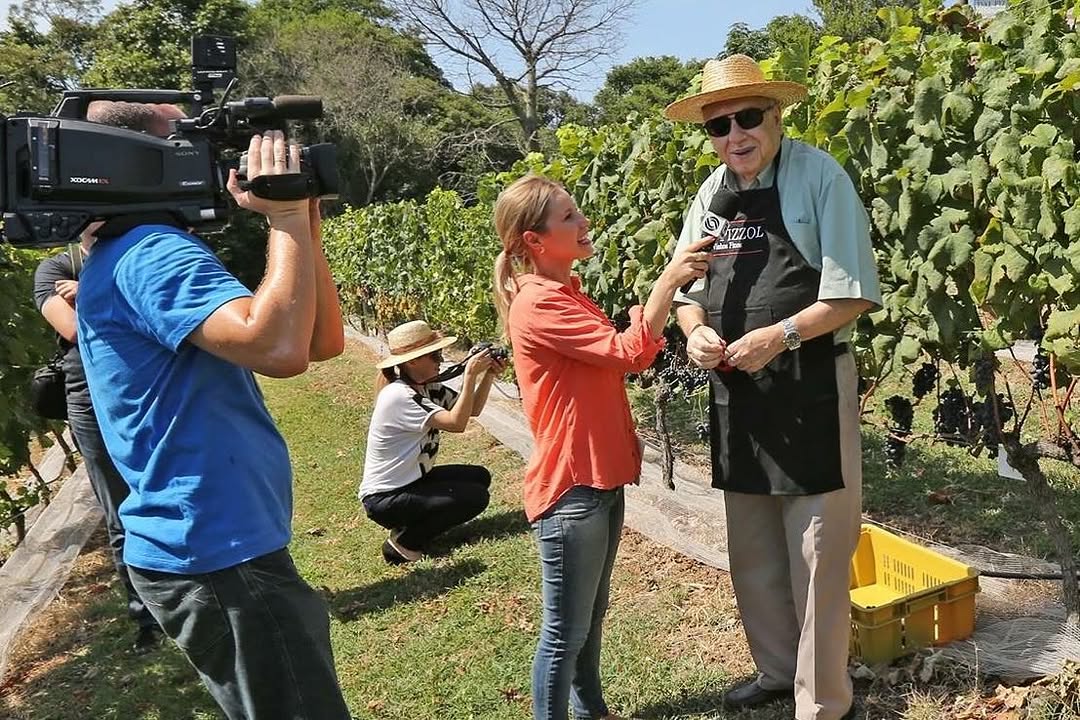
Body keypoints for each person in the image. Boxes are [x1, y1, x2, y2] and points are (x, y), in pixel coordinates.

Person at [75, 99, 351, 720]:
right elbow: (275, 347)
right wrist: (279, 218)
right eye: (187, 143)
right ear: (138, 162)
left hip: (220, 547)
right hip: (216, 555)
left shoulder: (129, 249)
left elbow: (317, 341)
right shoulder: (151, 252)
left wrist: (301, 221)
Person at [664, 54, 881, 720]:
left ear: (776, 115)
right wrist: (694, 327)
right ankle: (777, 671)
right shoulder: (709, 195)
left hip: (808, 383)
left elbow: (851, 295)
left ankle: (822, 703)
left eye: (748, 118)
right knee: (752, 547)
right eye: (719, 125)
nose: (735, 135)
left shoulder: (821, 178)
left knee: (817, 553)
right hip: (738, 393)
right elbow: (686, 288)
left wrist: (779, 337)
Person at [491, 174, 711, 720]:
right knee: (564, 631)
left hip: (600, 479)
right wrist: (667, 284)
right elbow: (630, 354)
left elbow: (615, 355)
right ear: (534, 241)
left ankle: (592, 711)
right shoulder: (540, 303)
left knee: (587, 616)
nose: (583, 221)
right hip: (573, 488)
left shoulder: (563, 293)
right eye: (569, 217)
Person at [33, 237, 163, 653]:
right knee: (119, 506)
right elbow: (71, 329)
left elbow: (161, 305)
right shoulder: (55, 269)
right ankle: (148, 618)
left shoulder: (141, 250)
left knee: (174, 482)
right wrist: (117, 290)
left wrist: (88, 291)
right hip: (88, 396)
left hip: (150, 383)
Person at [359, 320, 505, 565]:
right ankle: (404, 544)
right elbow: (456, 423)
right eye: (434, 354)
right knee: (475, 497)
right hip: (385, 498)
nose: (440, 359)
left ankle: (413, 523)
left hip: (410, 483)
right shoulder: (399, 396)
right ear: (413, 361)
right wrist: (469, 374)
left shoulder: (427, 388)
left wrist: (488, 375)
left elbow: (473, 410)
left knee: (480, 478)